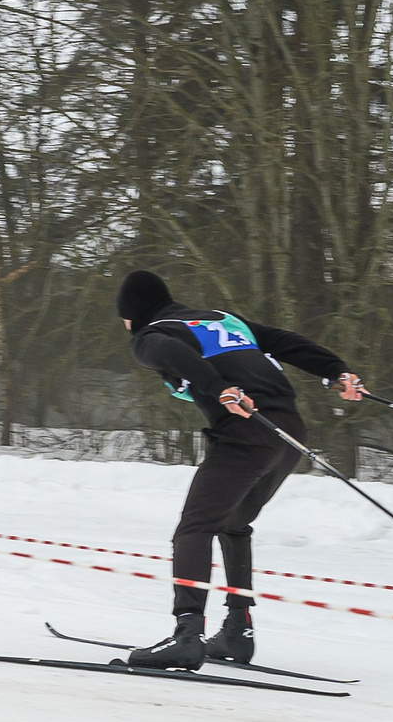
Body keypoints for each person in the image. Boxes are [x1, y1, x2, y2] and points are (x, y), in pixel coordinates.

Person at [116, 270, 366, 670]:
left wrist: (217, 388)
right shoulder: (219, 318)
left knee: (195, 528)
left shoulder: (148, 336)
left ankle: (186, 635)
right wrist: (335, 371)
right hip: (288, 431)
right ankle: (237, 628)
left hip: (246, 430)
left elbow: (171, 354)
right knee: (233, 524)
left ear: (131, 314)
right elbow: (284, 341)